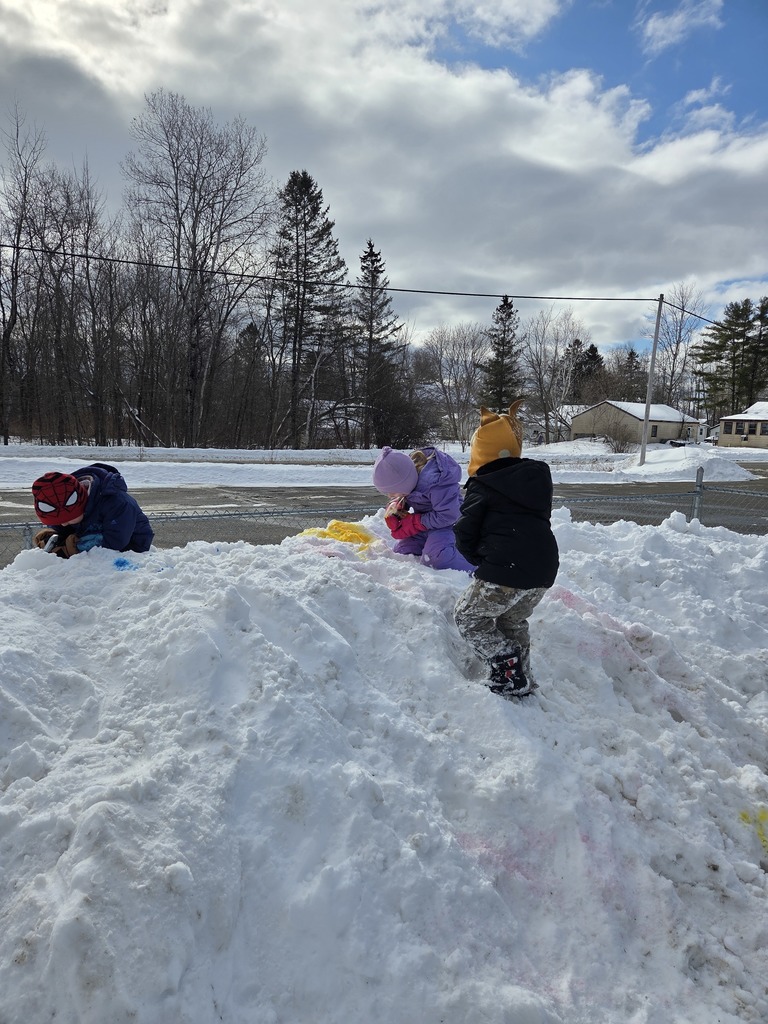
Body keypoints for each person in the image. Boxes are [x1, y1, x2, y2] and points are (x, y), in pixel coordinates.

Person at [453, 402, 559, 698]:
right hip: (545, 569)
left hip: (506, 568)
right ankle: (523, 676)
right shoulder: (535, 480)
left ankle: (505, 669)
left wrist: (480, 562)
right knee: (512, 620)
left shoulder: (483, 484)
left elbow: (464, 531)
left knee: (468, 617)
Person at [372, 445, 474, 572]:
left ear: (405, 483)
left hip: (451, 525)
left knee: (436, 558)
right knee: (402, 551)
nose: (390, 496)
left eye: (392, 493)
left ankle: (477, 565)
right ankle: (430, 544)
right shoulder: (410, 480)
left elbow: (450, 515)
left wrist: (416, 522)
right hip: (428, 526)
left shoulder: (436, 483)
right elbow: (408, 496)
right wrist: (397, 509)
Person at [32, 463, 154, 558]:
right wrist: (55, 536)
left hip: (132, 549)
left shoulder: (117, 502)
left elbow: (116, 542)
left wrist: (76, 547)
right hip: (94, 537)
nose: (63, 524)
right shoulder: (66, 506)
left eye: (67, 520)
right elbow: (63, 526)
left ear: (82, 504)